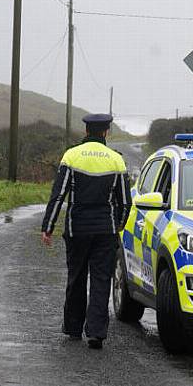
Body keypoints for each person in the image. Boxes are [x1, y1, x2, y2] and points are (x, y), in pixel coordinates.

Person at [41, 113, 131, 350]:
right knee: (101, 280)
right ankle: (96, 334)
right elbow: (125, 202)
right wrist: (118, 225)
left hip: (76, 229)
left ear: (86, 132)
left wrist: (47, 227)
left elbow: (58, 195)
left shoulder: (71, 156)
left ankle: (73, 328)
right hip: (105, 231)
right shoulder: (116, 160)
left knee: (76, 277)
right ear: (105, 132)